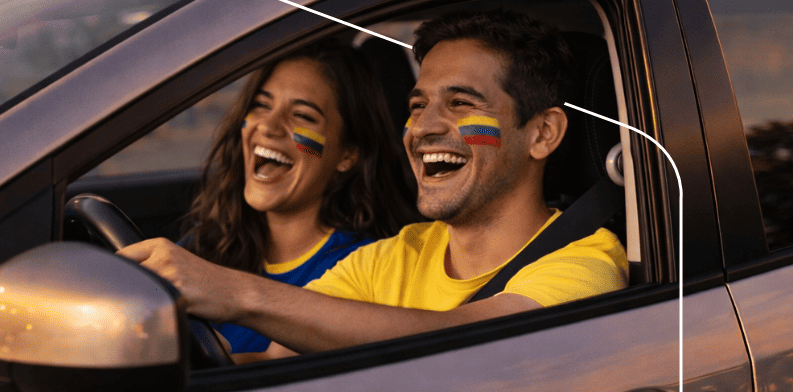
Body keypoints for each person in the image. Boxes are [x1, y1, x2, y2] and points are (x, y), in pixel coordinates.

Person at [119, 10, 628, 361]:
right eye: (416, 105)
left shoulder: (585, 266)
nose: (424, 126)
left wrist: (231, 292)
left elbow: (479, 343)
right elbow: (273, 362)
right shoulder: (390, 258)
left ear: (542, 133)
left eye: (461, 102)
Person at [175, 42, 421, 363]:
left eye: (302, 115)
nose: (268, 126)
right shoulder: (208, 241)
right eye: (262, 105)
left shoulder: (362, 270)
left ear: (347, 154)